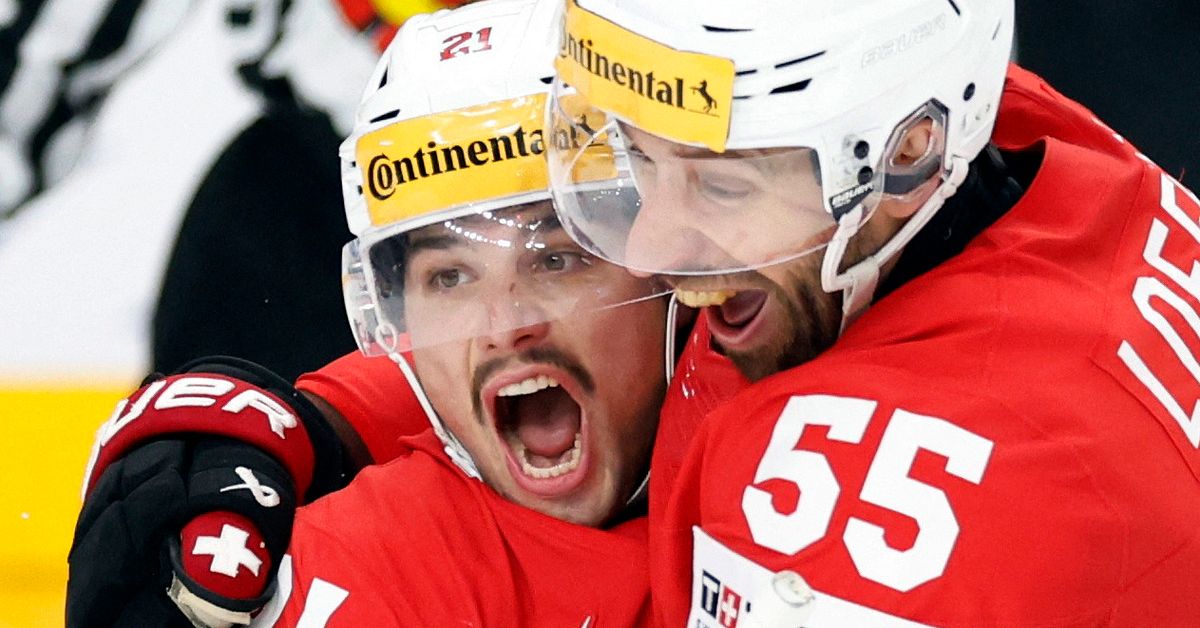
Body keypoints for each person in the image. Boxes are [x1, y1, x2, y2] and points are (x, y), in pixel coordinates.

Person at [545, 0, 1200, 625]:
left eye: (723, 186)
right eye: (635, 153)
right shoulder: (995, 122)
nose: (646, 251)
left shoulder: (892, 512)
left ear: (910, 156)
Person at [68, 1, 669, 626]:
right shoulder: (367, 563)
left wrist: (328, 420)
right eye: (450, 277)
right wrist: (307, 421)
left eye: (556, 260)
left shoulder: (751, 372)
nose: (502, 325)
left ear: (673, 267)